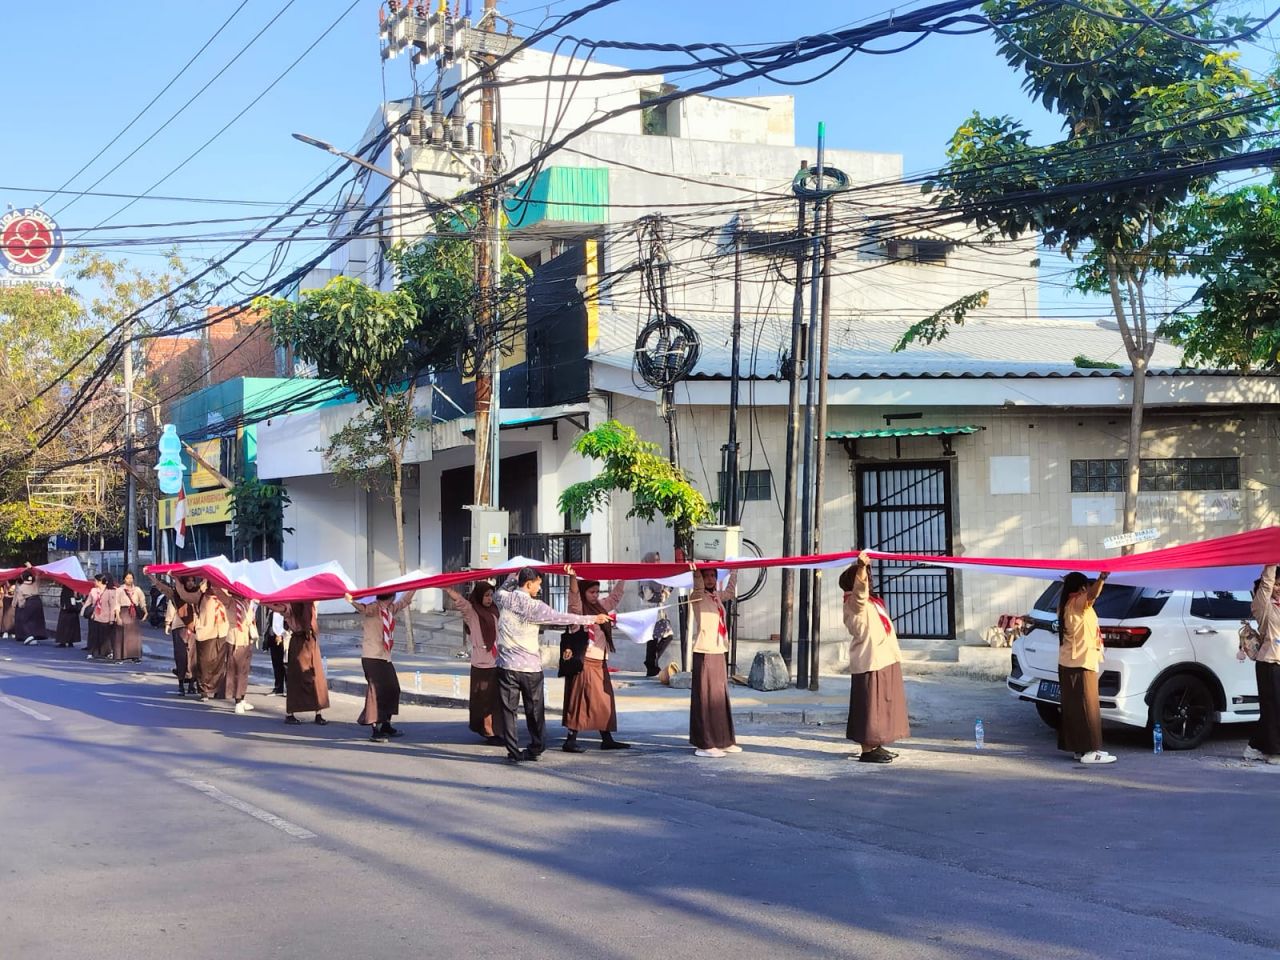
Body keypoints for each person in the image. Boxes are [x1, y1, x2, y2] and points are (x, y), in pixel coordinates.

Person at [494, 566, 607, 764]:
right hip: (529, 668)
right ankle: (536, 747)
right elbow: (564, 618)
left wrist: (514, 575)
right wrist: (592, 619)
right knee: (534, 710)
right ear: (529, 584)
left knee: (508, 711)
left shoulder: (503, 598)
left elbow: (501, 589)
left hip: (505, 666)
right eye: (538, 584)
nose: (539, 588)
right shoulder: (536, 607)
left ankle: (513, 751)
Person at [839, 551, 910, 764]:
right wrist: (861, 567)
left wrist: (864, 568)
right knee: (870, 709)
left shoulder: (873, 603)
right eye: (863, 579)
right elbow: (860, 592)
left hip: (885, 659)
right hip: (870, 661)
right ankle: (867, 750)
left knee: (883, 708)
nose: (868, 582)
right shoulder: (854, 603)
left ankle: (877, 745)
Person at [563, 567, 629, 752]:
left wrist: (625, 575)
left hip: (600, 662)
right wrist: (573, 578)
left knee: (603, 702)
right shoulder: (578, 611)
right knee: (579, 701)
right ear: (584, 592)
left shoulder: (600, 607)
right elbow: (574, 597)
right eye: (591, 592)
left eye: (597, 592)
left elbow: (615, 597)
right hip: (584, 662)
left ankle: (606, 738)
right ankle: (570, 739)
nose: (595, 595)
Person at [1057, 570, 1116, 765]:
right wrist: (1102, 579)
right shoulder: (1078, 602)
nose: (1088, 588)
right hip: (1081, 663)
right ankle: (1090, 750)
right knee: (1088, 707)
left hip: (1070, 663)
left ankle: (1078, 749)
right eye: (1086, 585)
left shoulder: (1066, 603)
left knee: (1074, 709)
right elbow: (1092, 595)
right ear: (1081, 587)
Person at [344, 590, 416, 742]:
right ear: (391, 596)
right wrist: (350, 600)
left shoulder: (389, 609)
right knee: (376, 692)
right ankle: (375, 728)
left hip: (385, 657)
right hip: (372, 657)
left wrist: (415, 586)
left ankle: (386, 724)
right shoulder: (374, 608)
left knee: (393, 688)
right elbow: (362, 609)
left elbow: (404, 602)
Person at [688, 566, 740, 758]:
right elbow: (699, 587)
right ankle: (705, 743)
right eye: (706, 576)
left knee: (719, 697)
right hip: (704, 650)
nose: (709, 579)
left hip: (719, 649)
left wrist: (734, 572)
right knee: (706, 697)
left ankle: (723, 739)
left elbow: (730, 592)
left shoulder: (716, 596)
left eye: (712, 576)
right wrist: (696, 571)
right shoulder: (697, 596)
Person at [444, 580, 503, 743]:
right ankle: (489, 732)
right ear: (478, 596)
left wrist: (514, 574)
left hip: (495, 661)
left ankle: (495, 730)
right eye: (486, 595)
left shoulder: (493, 610)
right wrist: (448, 588)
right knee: (484, 701)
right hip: (481, 664)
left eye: (491, 595)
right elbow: (461, 602)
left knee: (494, 701)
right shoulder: (472, 612)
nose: (489, 599)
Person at [263, 600, 329, 725]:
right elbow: (281, 609)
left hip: (312, 642)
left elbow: (318, 598)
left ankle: (318, 713)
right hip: (298, 642)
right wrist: (264, 602)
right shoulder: (291, 604)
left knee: (316, 677)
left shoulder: (311, 602)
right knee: (296, 677)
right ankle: (290, 714)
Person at [1244, 564, 1280, 764]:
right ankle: (1273, 752)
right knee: (1273, 708)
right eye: (1276, 584)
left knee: (1273, 708)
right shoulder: (1262, 606)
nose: (1278, 588)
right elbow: (1266, 585)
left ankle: (1254, 747)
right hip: (1268, 663)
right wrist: (1273, 560)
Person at [174, 578, 229, 701]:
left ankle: (217, 689)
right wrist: (177, 581)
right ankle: (204, 690)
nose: (216, 588)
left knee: (219, 663)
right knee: (204, 663)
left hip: (222, 632)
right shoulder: (201, 596)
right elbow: (185, 596)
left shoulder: (224, 596)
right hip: (206, 633)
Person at [207, 585, 257, 714]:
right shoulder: (230, 601)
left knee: (244, 670)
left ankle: (242, 697)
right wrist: (214, 581)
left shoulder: (247, 602)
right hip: (235, 638)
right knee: (236, 670)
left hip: (247, 637)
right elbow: (218, 592)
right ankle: (237, 700)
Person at [153, 577, 198, 696]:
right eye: (188, 580)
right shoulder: (176, 594)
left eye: (192, 581)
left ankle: (192, 684)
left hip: (194, 628)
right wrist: (168, 623)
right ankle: (181, 684)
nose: (190, 583)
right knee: (181, 656)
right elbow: (171, 608)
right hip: (179, 627)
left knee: (193, 657)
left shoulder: (197, 593)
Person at [638, 551, 674, 678]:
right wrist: (664, 594)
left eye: (659, 559)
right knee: (653, 639)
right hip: (651, 613)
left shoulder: (657, 575)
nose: (658, 562)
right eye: (655, 560)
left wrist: (668, 588)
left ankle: (651, 662)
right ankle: (651, 665)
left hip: (659, 612)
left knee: (665, 636)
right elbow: (648, 596)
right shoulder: (645, 576)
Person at [113, 571, 147, 662]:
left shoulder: (137, 589)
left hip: (134, 613)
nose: (129, 580)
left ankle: (134, 655)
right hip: (123, 612)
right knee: (121, 635)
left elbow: (142, 601)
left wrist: (145, 611)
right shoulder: (120, 590)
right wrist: (117, 616)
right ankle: (120, 656)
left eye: (131, 578)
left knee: (134, 636)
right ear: (124, 579)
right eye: (127, 578)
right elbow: (117, 603)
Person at [88, 574, 120, 661]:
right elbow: (90, 601)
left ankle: (108, 652)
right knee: (95, 635)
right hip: (96, 616)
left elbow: (112, 606)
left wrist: (111, 619)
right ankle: (94, 652)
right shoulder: (94, 590)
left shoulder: (112, 591)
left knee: (107, 637)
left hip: (106, 617)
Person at [14, 568, 48, 645]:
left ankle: (29, 635)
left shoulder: (21, 587)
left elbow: (21, 600)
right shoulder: (35, 583)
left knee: (25, 619)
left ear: (22, 578)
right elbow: (38, 575)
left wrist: (21, 606)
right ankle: (36, 634)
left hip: (29, 602)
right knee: (37, 619)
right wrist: (31, 568)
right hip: (38, 601)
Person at [263, 606, 288, 696]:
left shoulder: (284, 607)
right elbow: (269, 624)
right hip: (272, 637)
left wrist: (280, 634)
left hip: (283, 638)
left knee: (285, 664)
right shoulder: (270, 609)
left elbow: (287, 622)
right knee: (276, 664)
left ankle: (288, 688)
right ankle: (278, 687)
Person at [84, 574, 109, 659]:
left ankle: (105, 652)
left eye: (95, 581)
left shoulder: (109, 591)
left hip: (105, 615)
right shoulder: (93, 591)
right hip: (94, 615)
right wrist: (83, 610)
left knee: (104, 634)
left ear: (100, 581)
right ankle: (91, 652)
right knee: (93, 634)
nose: (94, 582)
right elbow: (88, 602)